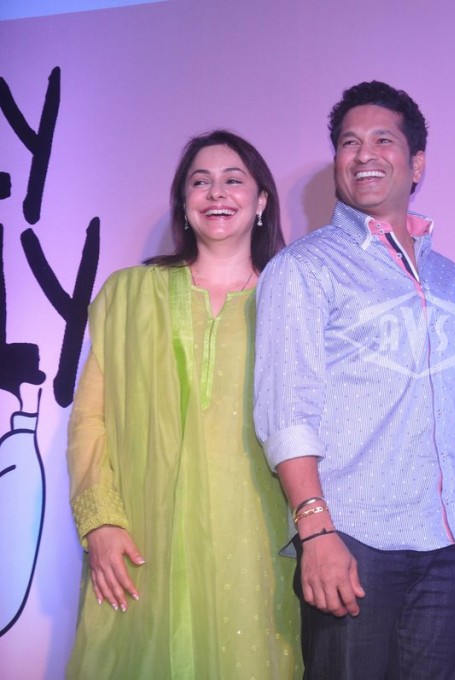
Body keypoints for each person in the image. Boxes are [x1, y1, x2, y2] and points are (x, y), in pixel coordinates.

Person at [253, 81, 455, 679]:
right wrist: (315, 532)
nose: (364, 154)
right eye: (349, 142)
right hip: (353, 541)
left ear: (416, 163)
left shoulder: (449, 277)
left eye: (383, 140)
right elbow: (285, 413)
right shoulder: (304, 268)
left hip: (448, 545)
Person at [65, 130, 301, 678]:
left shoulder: (292, 300)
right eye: (200, 182)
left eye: (233, 180)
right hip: (142, 541)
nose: (216, 193)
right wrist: (101, 523)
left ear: (261, 201)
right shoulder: (129, 294)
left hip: (254, 545)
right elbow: (90, 419)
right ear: (184, 202)